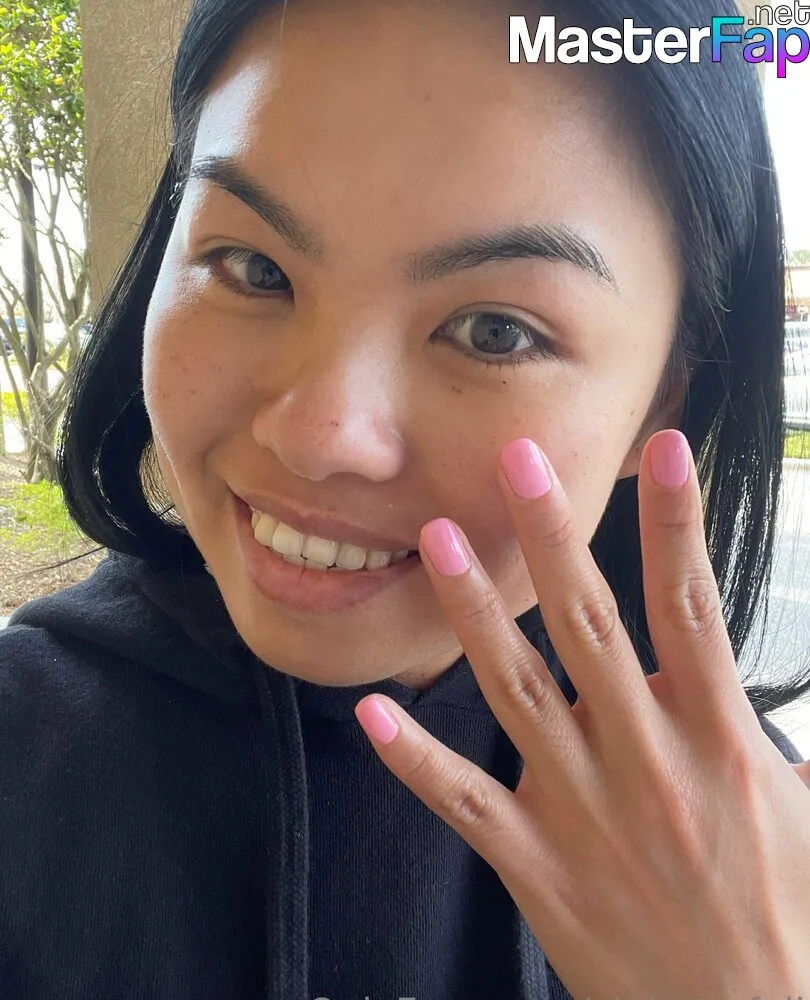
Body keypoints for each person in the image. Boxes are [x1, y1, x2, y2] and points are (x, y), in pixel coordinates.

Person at [2, 0, 810, 996]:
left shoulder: (755, 860)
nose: (317, 435)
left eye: (495, 332)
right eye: (256, 268)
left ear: (666, 396)